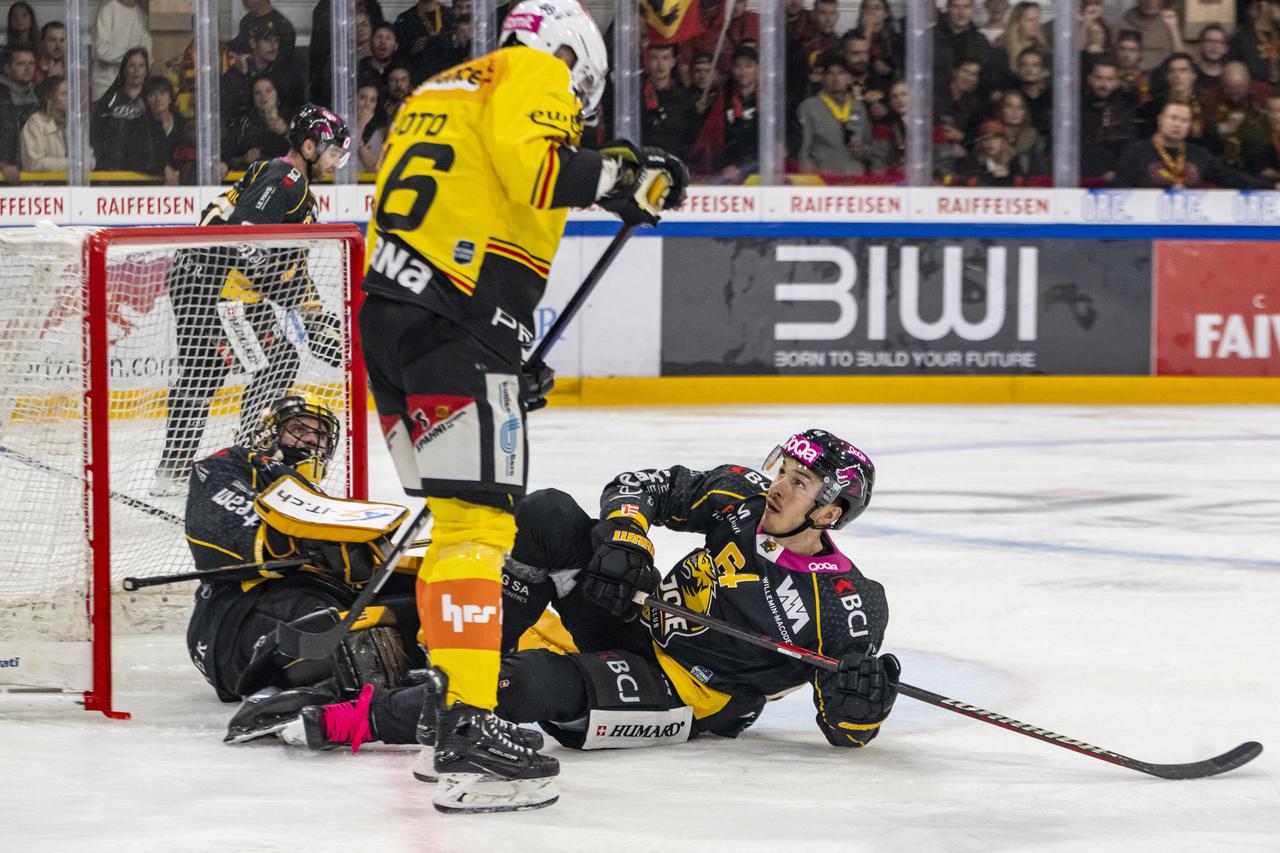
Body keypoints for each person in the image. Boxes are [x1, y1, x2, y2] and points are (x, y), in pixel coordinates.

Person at [358, 0, 686, 813]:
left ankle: (450, 697)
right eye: (583, 98)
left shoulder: (441, 89)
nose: (578, 112)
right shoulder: (533, 71)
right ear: (571, 57)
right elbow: (541, 170)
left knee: (451, 517)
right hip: (455, 325)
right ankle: (470, 727)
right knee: (478, 525)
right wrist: (625, 174)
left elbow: (500, 191)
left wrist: (613, 185)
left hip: (392, 326)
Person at [237, 430, 896, 776]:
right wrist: (625, 539)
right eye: (784, 468)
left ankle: (352, 718)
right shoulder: (740, 496)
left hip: (682, 694)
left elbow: (846, 727)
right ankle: (442, 650)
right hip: (641, 619)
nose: (779, 485)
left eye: (800, 481)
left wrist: (863, 699)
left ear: (829, 510)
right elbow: (636, 485)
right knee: (550, 513)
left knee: (522, 687)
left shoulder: (845, 602)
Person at [151, 105, 352, 496]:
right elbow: (243, 240)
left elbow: (290, 263)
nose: (336, 161)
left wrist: (311, 311)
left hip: (207, 281)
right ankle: (244, 456)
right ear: (309, 146)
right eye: (332, 152)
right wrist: (290, 299)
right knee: (269, 363)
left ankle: (177, 469)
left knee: (208, 372)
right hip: (214, 287)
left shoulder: (292, 185)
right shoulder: (287, 180)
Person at [183, 394, 421, 704]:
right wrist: (298, 542)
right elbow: (222, 523)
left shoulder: (321, 499)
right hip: (233, 619)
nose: (310, 439)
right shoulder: (232, 463)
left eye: (319, 434)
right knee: (333, 626)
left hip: (314, 597)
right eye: (298, 428)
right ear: (270, 433)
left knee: (426, 595)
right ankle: (283, 693)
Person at [1113, 100, 1277, 188]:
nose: (1178, 124)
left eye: (1184, 121)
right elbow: (1119, 188)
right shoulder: (1136, 151)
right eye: (1173, 118)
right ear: (1160, 120)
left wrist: (1270, 187)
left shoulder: (1198, 154)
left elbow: (1230, 177)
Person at [798, 54, 870, 177]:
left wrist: (863, 150)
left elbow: (869, 143)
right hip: (823, 181)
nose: (836, 78)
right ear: (823, 78)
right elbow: (804, 148)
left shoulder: (858, 107)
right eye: (830, 73)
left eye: (841, 73)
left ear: (850, 78)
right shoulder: (809, 107)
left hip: (856, 180)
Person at [89, 47, 148, 171]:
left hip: (144, 172)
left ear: (147, 70)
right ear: (124, 71)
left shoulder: (153, 99)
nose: (137, 70)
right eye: (132, 65)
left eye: (141, 66)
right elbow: (95, 134)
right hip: (112, 171)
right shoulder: (108, 101)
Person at [1080, 59, 1138, 182]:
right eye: (1099, 78)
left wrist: (1117, 171)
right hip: (1080, 174)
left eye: (1109, 79)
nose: (1103, 84)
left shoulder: (1126, 110)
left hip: (1114, 177)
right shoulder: (1077, 108)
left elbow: (1129, 147)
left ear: (1117, 82)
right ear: (1090, 79)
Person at [640, 42, 698, 161]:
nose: (660, 65)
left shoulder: (684, 98)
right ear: (646, 61)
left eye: (665, 58)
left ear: (673, 61)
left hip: (675, 164)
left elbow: (691, 139)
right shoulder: (636, 95)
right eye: (654, 58)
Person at [221, 76, 291, 173]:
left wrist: (286, 131)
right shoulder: (245, 126)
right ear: (253, 98)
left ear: (277, 94)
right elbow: (227, 158)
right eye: (258, 93)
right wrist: (244, 158)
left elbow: (306, 153)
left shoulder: (292, 120)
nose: (264, 96)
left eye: (268, 90)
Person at [90, 0, 151, 100]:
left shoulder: (142, 14)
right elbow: (101, 51)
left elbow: (147, 56)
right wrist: (130, 57)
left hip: (132, 87)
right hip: (106, 85)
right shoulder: (107, 9)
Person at [20, 73, 77, 173]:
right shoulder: (35, 123)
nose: (71, 97)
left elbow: (89, 157)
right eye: (64, 94)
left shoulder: (74, 123)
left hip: (70, 187)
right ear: (50, 97)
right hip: (44, 187)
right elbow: (34, 163)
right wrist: (73, 164)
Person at [0, 42, 37, 183]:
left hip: (32, 176)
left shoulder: (40, 94)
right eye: (21, 64)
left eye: (31, 63)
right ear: (7, 68)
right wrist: (2, 165)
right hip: (6, 179)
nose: (27, 69)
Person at [1119, 0, 1184, 71]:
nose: (1150, 2)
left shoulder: (1169, 21)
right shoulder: (1124, 23)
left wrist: (1173, 29)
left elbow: (1181, 58)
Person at [33, 20, 64, 84]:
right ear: (42, 43)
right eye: (53, 40)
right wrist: (50, 79)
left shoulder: (74, 68)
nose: (58, 46)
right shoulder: (31, 67)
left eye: (62, 40)